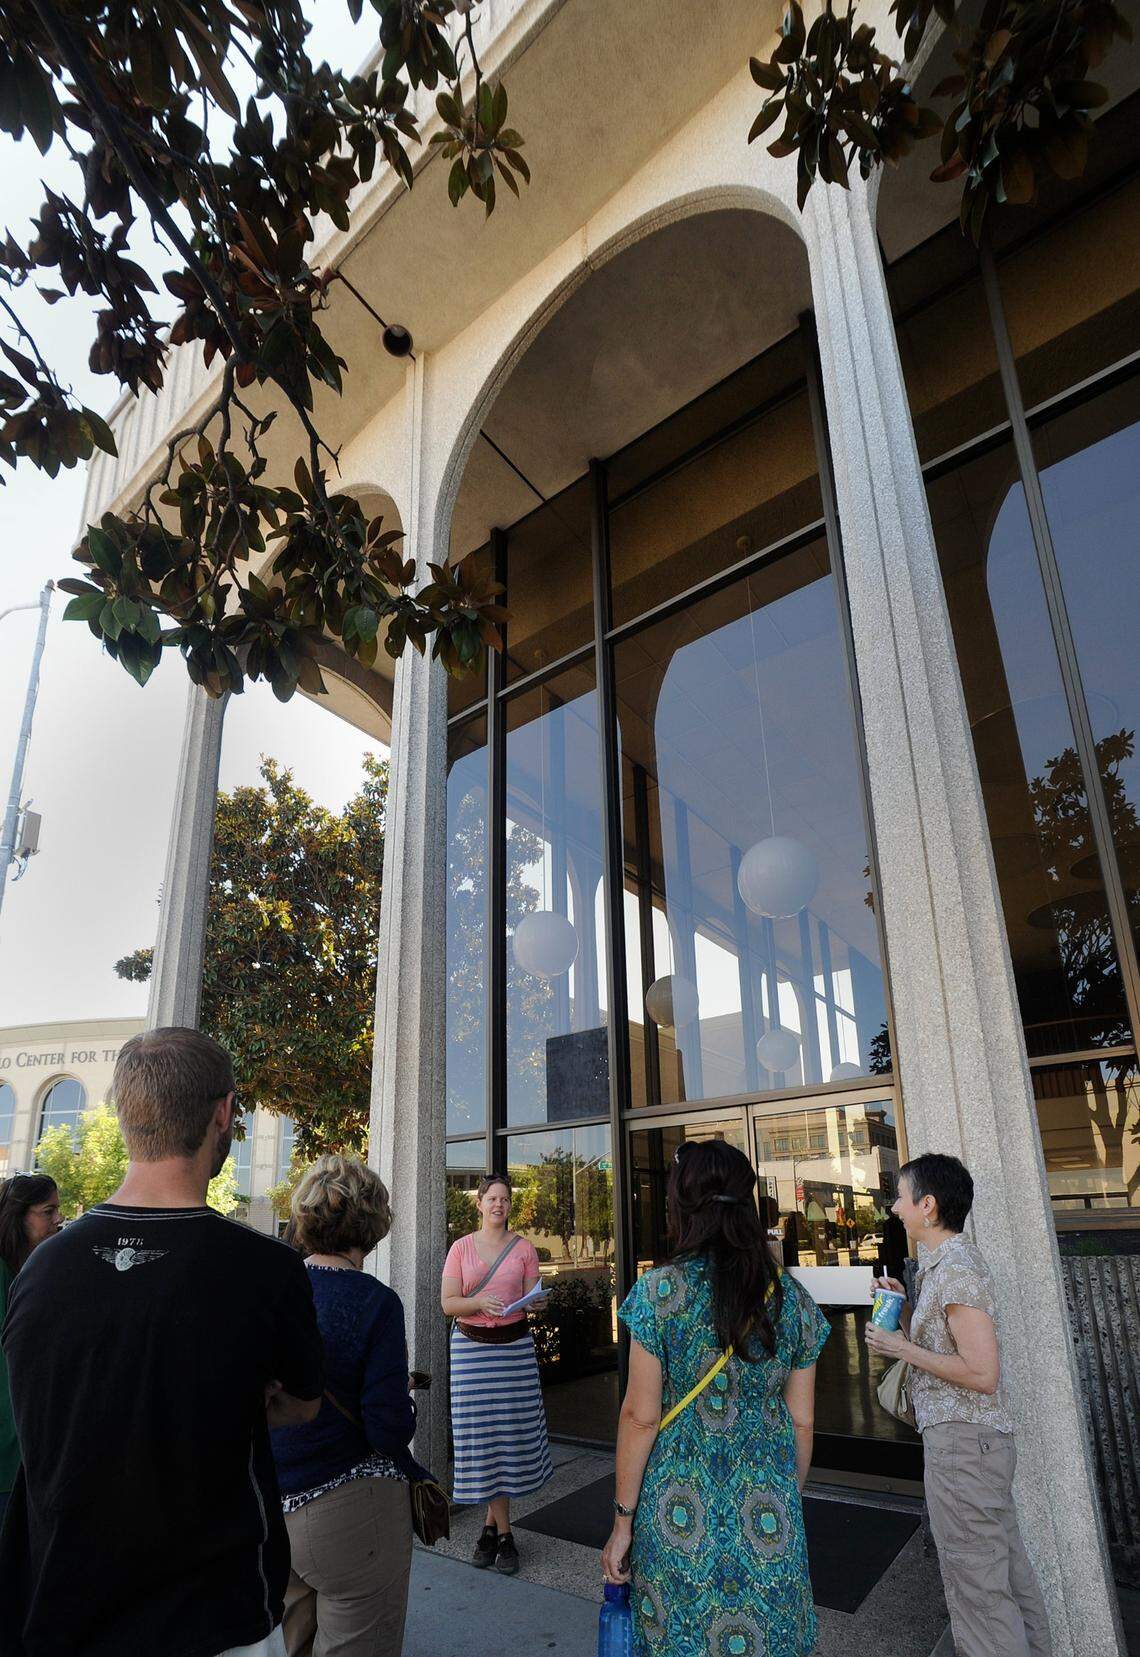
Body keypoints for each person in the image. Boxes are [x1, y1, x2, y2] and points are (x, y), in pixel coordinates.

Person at [0, 1027, 324, 1657]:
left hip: (62, 1611)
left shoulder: (40, 1269)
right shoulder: (265, 1269)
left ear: (124, 1116)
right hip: (213, 1618)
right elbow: (303, 1404)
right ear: (225, 1112)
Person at [600, 1140, 829, 1657]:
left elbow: (640, 1417)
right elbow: (802, 1422)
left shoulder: (659, 1293)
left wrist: (621, 1523)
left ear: (681, 1205)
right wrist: (783, 1498)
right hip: (769, 1513)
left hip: (678, 1516)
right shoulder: (792, 1299)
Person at [865, 1152, 1051, 1657]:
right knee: (1004, 1575)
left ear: (927, 1206)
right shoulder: (943, 1267)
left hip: (964, 1447)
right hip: (973, 1446)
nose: (895, 1209)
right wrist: (905, 1311)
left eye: (900, 1198)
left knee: (978, 1591)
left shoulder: (959, 1268)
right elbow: (948, 1353)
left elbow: (981, 1373)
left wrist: (899, 1348)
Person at [272, 1156, 416, 1657]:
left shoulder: (271, 1290)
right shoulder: (375, 1302)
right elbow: (386, 1428)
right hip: (351, 1511)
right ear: (371, 1224)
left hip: (271, 1502)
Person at [441, 1172, 551, 1574]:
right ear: (480, 1203)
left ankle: (490, 1530)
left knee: (508, 1436)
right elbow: (447, 1304)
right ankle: (505, 1536)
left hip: (514, 1351)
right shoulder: (460, 1248)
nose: (498, 1205)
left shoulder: (524, 1249)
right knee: (483, 1436)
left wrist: (536, 1304)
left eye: (504, 1199)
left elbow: (532, 1296)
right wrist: (476, 1302)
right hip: (472, 1351)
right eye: (492, 1198)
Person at [0, 1174, 62, 1527]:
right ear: (18, 1216)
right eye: (48, 1211)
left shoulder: (29, 1272)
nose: (59, 1220)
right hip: (10, 1460)